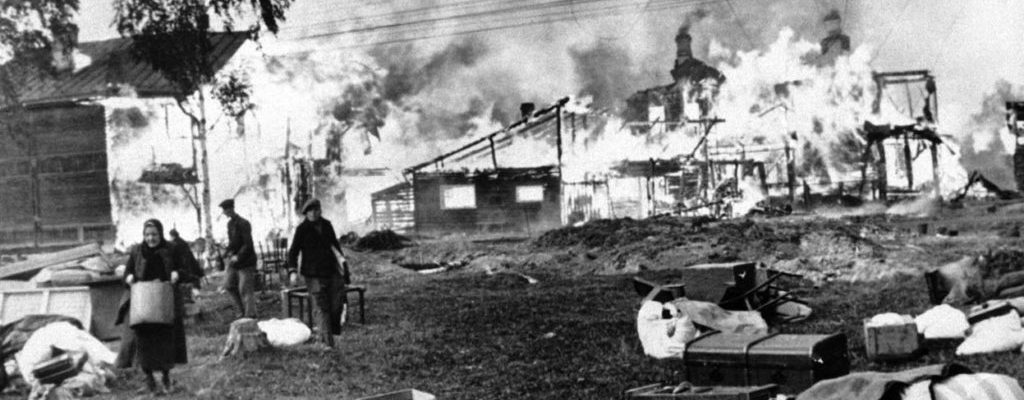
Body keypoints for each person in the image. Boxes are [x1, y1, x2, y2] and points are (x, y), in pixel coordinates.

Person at [121, 219, 188, 394]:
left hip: (164, 300)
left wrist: (177, 273)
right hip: (143, 302)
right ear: (143, 235)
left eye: (154, 235)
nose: (151, 238)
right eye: (147, 235)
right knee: (144, 341)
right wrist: (128, 278)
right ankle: (149, 378)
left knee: (165, 340)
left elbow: (185, 269)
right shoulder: (137, 251)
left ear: (161, 234)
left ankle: (166, 377)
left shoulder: (171, 249)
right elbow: (127, 273)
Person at [287, 199, 349, 348]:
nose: (314, 213)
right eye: (310, 211)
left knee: (336, 305)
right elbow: (293, 252)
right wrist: (293, 271)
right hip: (313, 274)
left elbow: (335, 247)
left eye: (316, 210)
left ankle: (330, 333)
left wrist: (343, 267)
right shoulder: (302, 229)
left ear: (320, 210)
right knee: (321, 307)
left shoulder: (327, 225)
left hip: (331, 271)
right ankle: (327, 344)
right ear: (306, 213)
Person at [220, 199, 256, 318]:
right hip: (234, 262)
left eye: (225, 210)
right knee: (228, 285)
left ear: (231, 209)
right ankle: (241, 312)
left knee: (245, 289)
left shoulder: (244, 223)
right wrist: (226, 251)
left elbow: (248, 244)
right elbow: (233, 242)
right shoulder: (230, 224)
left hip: (246, 261)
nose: (224, 213)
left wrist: (239, 256)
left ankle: (250, 315)